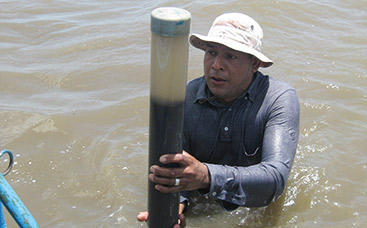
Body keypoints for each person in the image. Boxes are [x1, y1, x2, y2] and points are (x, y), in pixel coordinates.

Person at [138, 12, 300, 227]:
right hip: (202, 195)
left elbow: (275, 179)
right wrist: (175, 206)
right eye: (211, 52)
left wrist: (207, 176)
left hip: (252, 201)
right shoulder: (186, 96)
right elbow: (174, 164)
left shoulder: (278, 99)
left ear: (255, 64)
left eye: (231, 56)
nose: (216, 65)